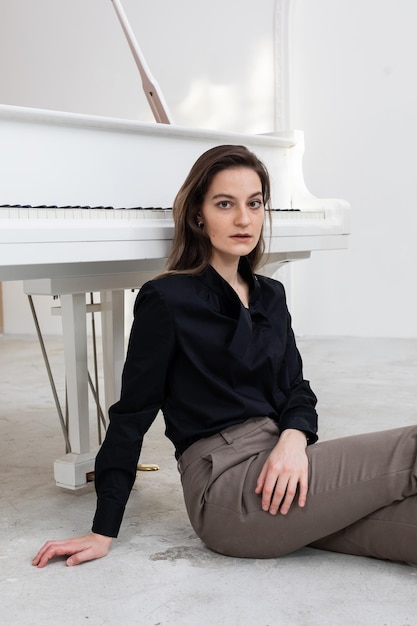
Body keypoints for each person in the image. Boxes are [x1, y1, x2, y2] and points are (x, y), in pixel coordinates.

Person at [33, 145, 417, 568]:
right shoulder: (166, 299)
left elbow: (297, 390)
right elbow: (131, 415)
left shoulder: (271, 295)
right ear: (199, 215)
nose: (243, 219)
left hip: (281, 470)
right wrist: (102, 530)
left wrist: (294, 439)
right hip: (225, 488)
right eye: (224, 204)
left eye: (254, 204)